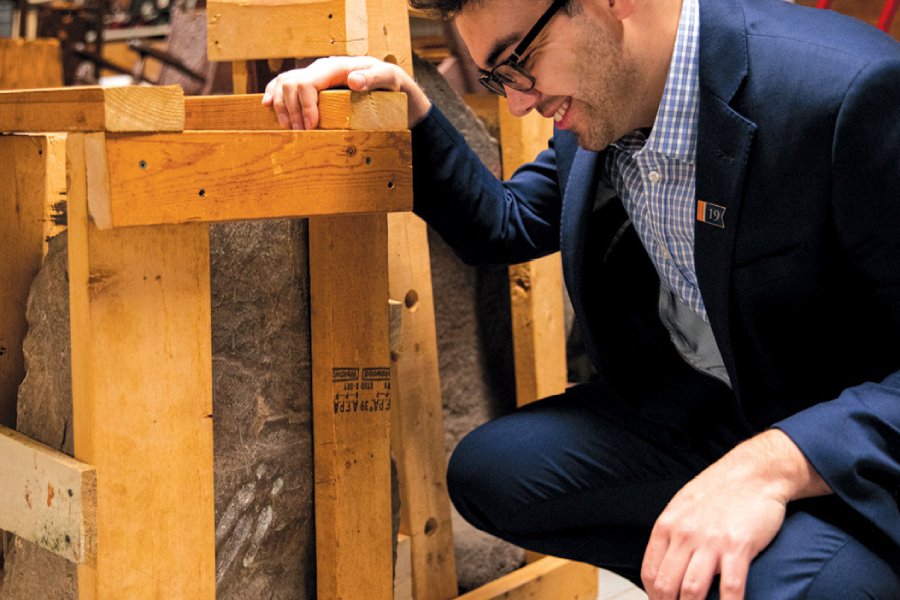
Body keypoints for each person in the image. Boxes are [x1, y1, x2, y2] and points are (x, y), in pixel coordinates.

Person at [263, 0, 900, 597]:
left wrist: (772, 466)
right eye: (495, 78)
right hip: (718, 411)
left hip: (849, 445)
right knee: (493, 471)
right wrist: (409, 106)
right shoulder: (607, 99)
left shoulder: (849, 92)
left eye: (519, 62)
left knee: (811, 586)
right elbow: (504, 224)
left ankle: (830, 558)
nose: (516, 104)